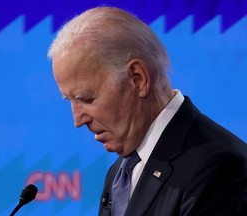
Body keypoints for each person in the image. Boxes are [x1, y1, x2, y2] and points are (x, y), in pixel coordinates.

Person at [47, 6, 247, 216]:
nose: (77, 120)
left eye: (86, 99)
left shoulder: (220, 167)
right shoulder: (119, 172)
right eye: (69, 101)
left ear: (138, 79)